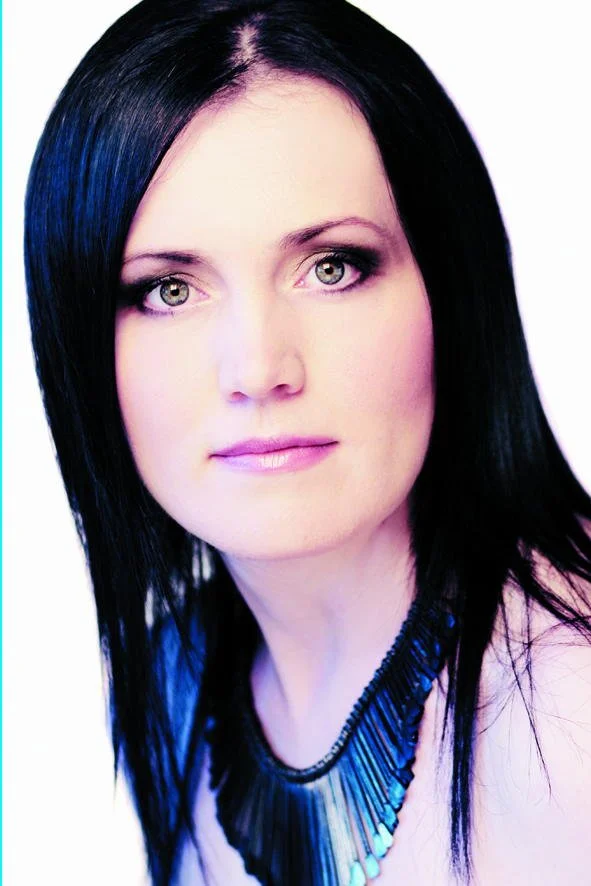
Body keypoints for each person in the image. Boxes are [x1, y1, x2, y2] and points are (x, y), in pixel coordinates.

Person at [23, 1, 591, 884]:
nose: (258, 367)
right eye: (168, 290)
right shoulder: (171, 686)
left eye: (333, 267)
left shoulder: (568, 716)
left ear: (451, 292)